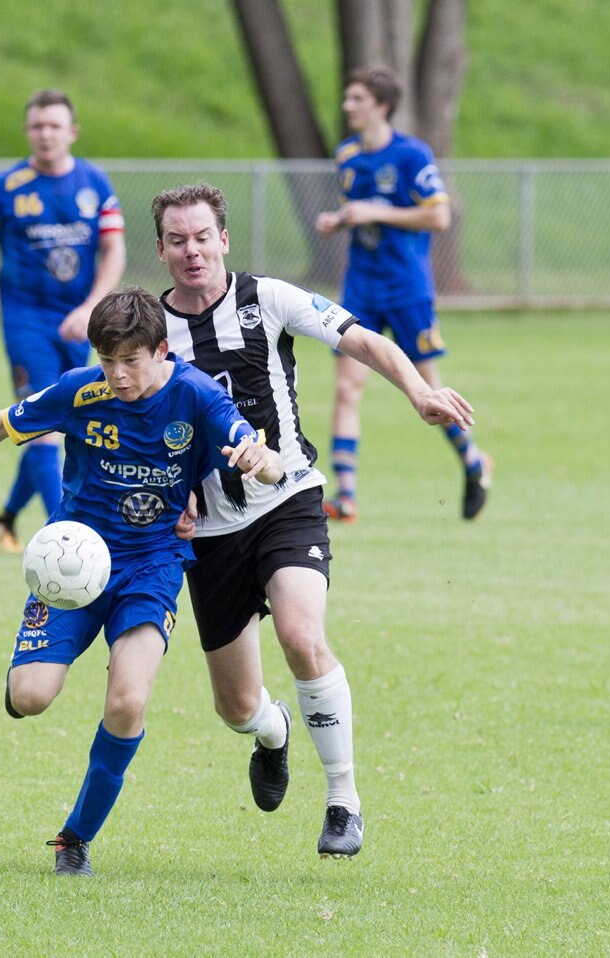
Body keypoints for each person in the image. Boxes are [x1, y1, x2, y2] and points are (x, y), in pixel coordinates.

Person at [0, 287, 284, 876]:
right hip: (73, 566)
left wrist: (260, 460)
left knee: (128, 700)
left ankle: (75, 838)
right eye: (107, 361)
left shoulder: (197, 397)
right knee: (30, 698)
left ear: (162, 350)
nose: (117, 375)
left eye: (130, 361)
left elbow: (267, 458)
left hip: (152, 567)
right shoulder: (82, 390)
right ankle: (30, 672)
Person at [153, 182, 477, 858]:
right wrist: (170, 493)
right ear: (160, 249)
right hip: (211, 531)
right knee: (236, 707)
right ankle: (273, 735)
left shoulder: (268, 298)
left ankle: (343, 799)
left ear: (224, 239)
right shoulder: (153, 335)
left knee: (303, 636)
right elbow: (145, 424)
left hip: (288, 498)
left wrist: (419, 389)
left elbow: (362, 338)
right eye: (178, 240)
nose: (192, 251)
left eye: (202, 236)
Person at [315, 66, 492, 522]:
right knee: (347, 388)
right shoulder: (348, 155)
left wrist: (376, 210)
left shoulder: (412, 155)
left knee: (430, 386)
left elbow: (439, 218)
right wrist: (340, 220)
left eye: (355, 98)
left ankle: (473, 462)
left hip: (407, 289)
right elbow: (362, 210)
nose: (347, 106)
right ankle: (346, 495)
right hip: (361, 287)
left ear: (381, 105)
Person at [0, 89, 126, 554]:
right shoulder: (6, 187)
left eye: (55, 125)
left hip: (79, 321)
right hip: (25, 319)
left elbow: (114, 248)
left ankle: (6, 518)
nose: (45, 134)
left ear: (72, 132)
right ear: (27, 132)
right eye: (37, 126)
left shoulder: (95, 183)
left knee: (60, 417)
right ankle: (67, 535)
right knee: (41, 424)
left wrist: (92, 307)